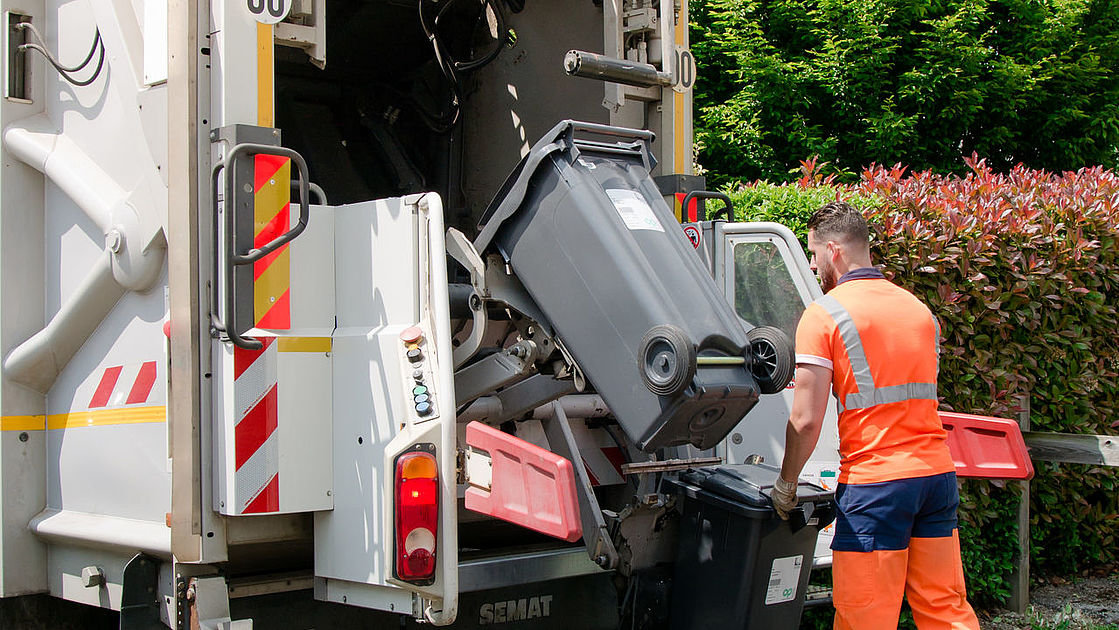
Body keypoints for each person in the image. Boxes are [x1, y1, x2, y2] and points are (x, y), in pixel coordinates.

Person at [772, 201, 980, 630]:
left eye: (813, 253)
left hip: (876, 485)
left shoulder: (824, 314)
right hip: (935, 478)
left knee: (864, 616)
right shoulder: (918, 310)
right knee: (945, 608)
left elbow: (805, 420)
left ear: (834, 250)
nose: (812, 265)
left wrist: (786, 484)